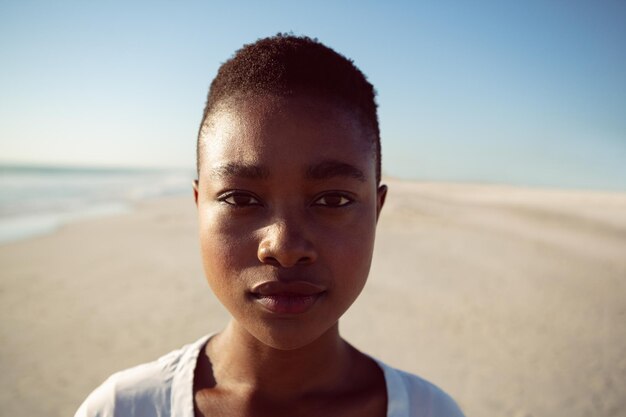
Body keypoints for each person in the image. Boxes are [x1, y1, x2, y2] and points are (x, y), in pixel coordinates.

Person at [75, 34, 465, 417]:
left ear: (376, 212)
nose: (284, 245)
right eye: (241, 199)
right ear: (199, 206)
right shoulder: (121, 407)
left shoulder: (430, 410)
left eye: (333, 200)